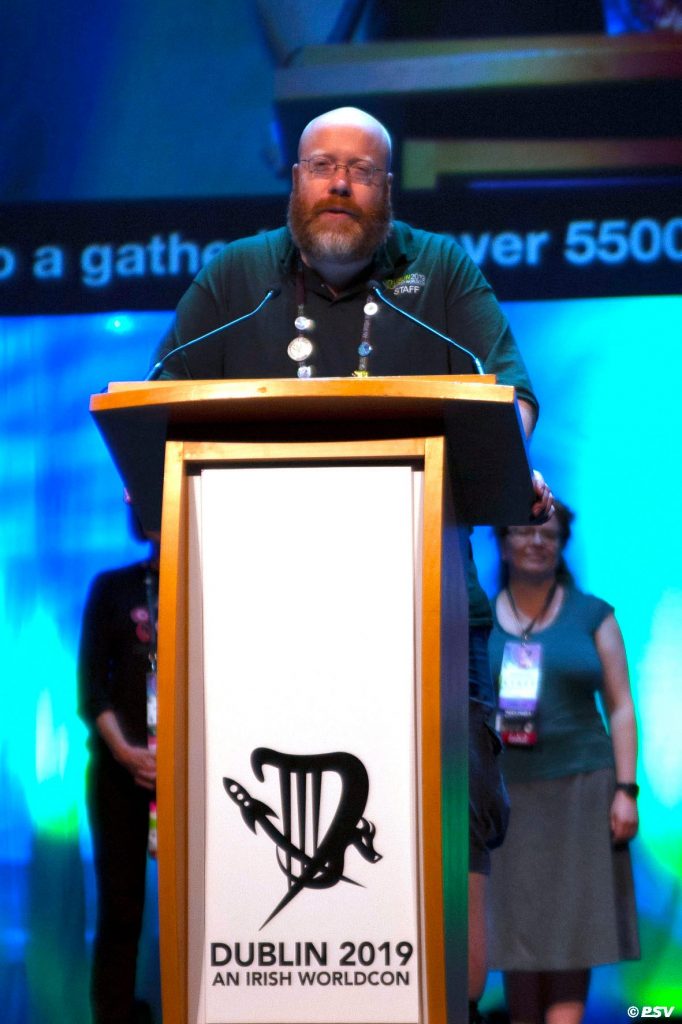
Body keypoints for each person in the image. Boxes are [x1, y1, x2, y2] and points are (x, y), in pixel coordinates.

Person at [150, 106, 553, 1023]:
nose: (339, 183)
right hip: (262, 643)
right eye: (321, 165)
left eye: (361, 171)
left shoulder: (438, 268)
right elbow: (156, 412)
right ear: (293, 178)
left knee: (452, 875)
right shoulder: (237, 278)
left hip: (432, 630)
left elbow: (511, 398)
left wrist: (508, 447)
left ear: (387, 190)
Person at [486, 501, 640, 1024]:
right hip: (506, 803)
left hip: (581, 793)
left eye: (550, 534)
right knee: (517, 936)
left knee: (574, 933)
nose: (537, 542)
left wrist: (627, 789)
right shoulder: (478, 618)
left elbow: (620, 707)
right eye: (525, 531)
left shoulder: (592, 615)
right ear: (503, 541)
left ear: (562, 545)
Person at [78, 501, 160, 1024]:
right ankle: (114, 1013)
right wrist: (126, 752)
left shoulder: (211, 584)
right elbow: (91, 687)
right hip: (119, 773)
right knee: (121, 908)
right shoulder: (112, 587)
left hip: (198, 775)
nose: (134, 503)